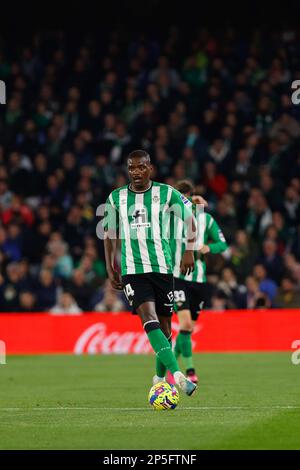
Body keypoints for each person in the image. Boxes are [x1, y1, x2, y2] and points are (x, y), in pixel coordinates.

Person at [103, 149, 197, 396]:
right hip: (133, 270)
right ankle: (178, 376)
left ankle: (158, 378)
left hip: (162, 268)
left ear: (150, 168)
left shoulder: (166, 193)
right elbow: (109, 234)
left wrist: (189, 251)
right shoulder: (116, 198)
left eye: (141, 167)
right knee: (149, 319)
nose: (136, 172)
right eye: (131, 168)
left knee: (166, 329)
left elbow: (190, 220)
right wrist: (110, 265)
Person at [171, 180, 228, 384]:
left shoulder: (206, 219)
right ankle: (190, 371)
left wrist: (208, 248)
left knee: (187, 330)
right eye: (179, 196)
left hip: (199, 281)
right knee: (184, 324)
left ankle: (172, 367)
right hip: (177, 278)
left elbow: (223, 243)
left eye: (185, 195)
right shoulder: (169, 217)